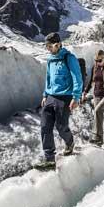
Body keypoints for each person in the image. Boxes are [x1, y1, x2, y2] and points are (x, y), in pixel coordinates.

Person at [34, 32, 83, 170]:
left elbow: (77, 78)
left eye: (50, 46)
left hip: (65, 97)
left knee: (61, 127)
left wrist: (76, 97)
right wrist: (45, 95)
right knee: (45, 126)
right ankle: (49, 160)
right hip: (51, 97)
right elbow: (48, 79)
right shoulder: (50, 60)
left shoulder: (69, 58)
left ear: (58, 44)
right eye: (46, 46)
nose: (48, 49)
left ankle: (70, 142)